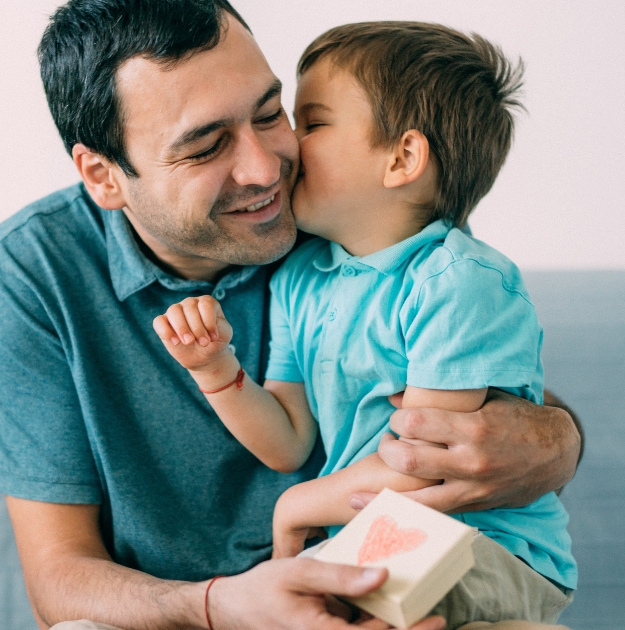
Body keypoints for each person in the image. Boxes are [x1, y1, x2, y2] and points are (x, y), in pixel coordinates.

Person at [0, 1, 583, 628]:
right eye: (206, 146)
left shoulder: (344, 215)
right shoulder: (36, 266)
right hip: (183, 610)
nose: (265, 170)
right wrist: (214, 606)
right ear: (103, 176)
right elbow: (59, 578)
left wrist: (562, 441)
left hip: (373, 572)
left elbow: (485, 410)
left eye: (272, 114)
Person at [151, 22, 574, 625]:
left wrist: (297, 506)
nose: (288, 145)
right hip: (380, 538)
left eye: (314, 122)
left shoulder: (456, 282)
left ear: (402, 158)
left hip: (485, 546)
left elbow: (426, 468)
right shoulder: (301, 276)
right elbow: (288, 439)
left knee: (347, 603)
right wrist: (216, 369)